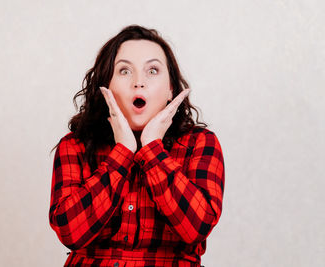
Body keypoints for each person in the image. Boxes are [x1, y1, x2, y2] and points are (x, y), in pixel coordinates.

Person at [49, 24, 225, 267]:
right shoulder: (75, 145)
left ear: (170, 88)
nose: (139, 83)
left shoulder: (200, 144)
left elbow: (197, 227)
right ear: (106, 85)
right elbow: (70, 232)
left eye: (153, 70)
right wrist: (122, 153)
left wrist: (152, 149)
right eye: (124, 71)